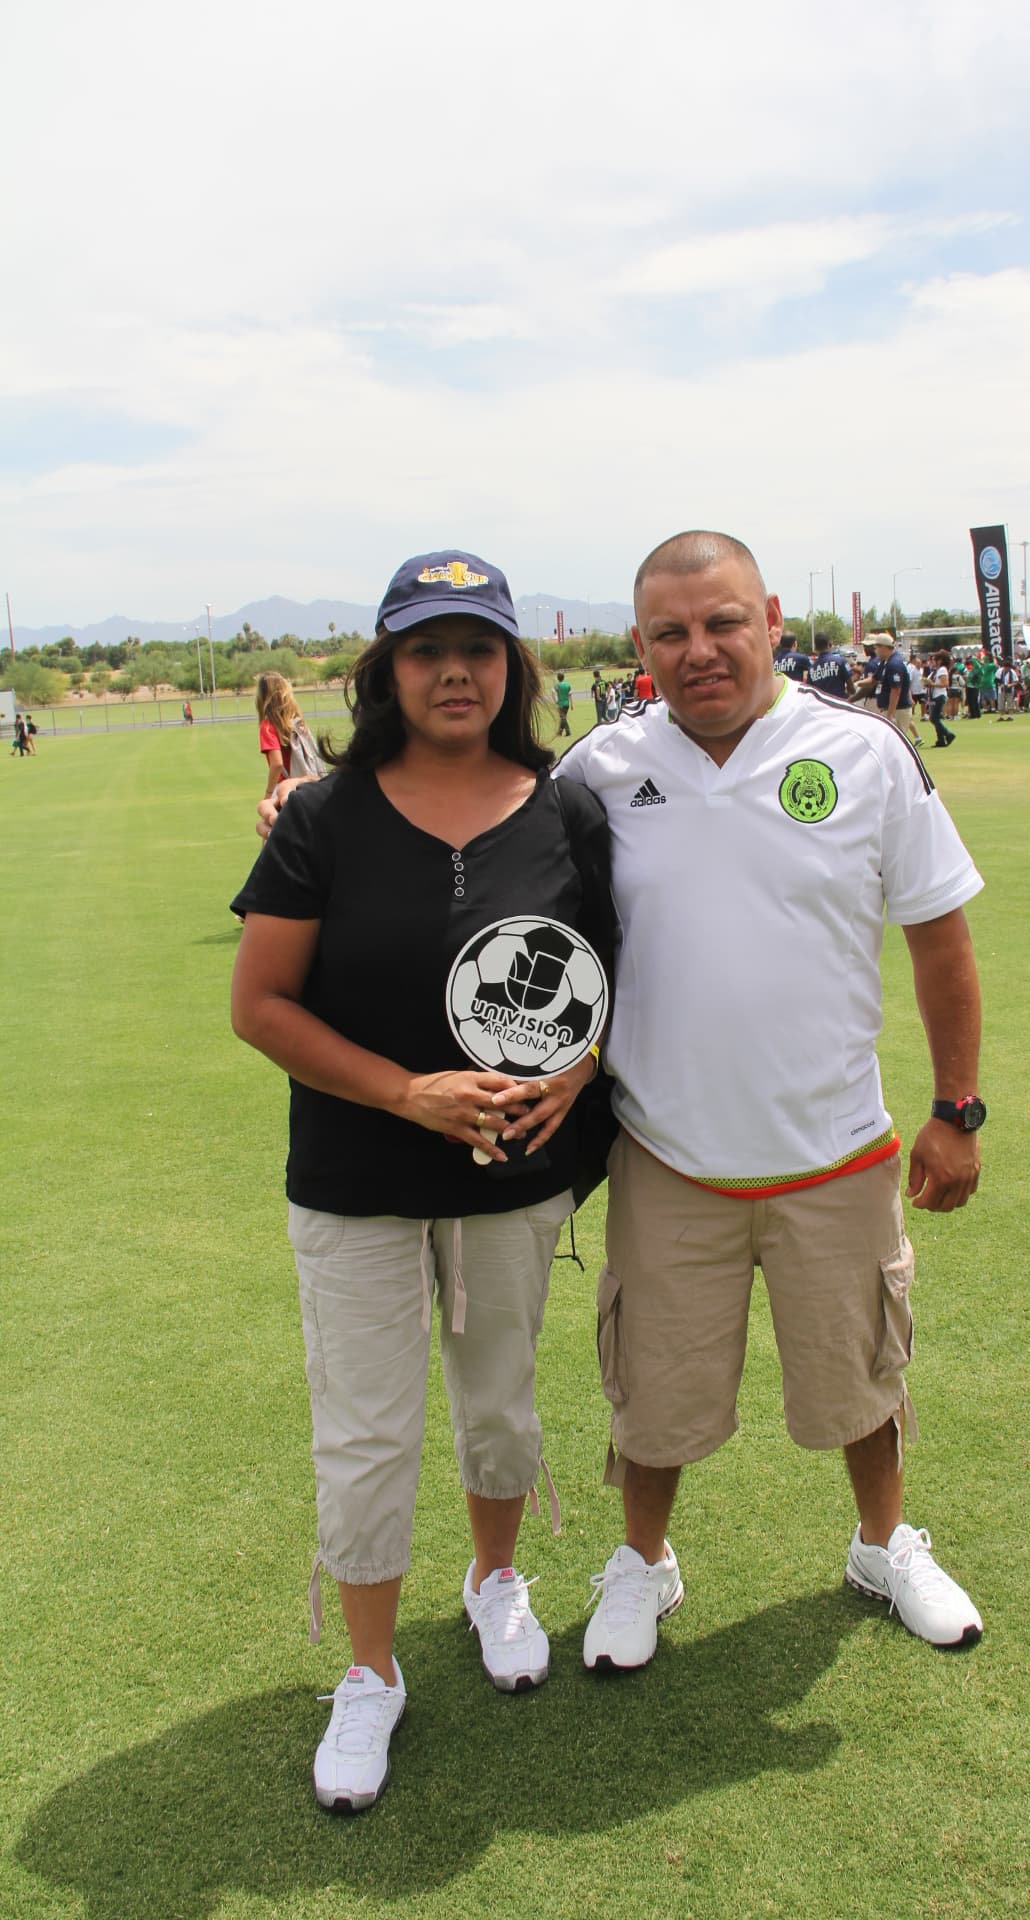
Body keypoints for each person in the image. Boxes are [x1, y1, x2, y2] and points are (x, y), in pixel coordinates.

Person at [556, 530, 986, 1672]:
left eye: (721, 622)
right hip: (665, 1153)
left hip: (835, 1150)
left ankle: (883, 1543)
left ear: (771, 621)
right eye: (669, 632)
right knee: (652, 1388)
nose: (698, 650)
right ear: (639, 643)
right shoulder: (595, 767)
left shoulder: (863, 751)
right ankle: (641, 1562)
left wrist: (958, 1108)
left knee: (862, 1376)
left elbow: (939, 936)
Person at [230, 551, 614, 1812]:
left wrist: (578, 1064)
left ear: (511, 667)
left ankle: (495, 1580)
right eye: (425, 649)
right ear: (386, 670)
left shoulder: (567, 809)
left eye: (479, 648)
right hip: (354, 1180)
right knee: (367, 1433)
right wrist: (405, 1092)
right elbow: (261, 1006)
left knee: (500, 1404)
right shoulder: (323, 817)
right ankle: (369, 1672)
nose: (454, 671)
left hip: (514, 1178)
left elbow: (608, 981)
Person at [255, 671, 323, 798]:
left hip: (285, 789)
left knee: (267, 816)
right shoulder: (296, 721)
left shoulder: (268, 726)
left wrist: (268, 794)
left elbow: (277, 763)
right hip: (308, 786)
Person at [868, 633, 912, 731]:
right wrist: (857, 684)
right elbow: (873, 679)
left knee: (897, 743)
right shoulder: (885, 662)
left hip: (898, 710)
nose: (875, 651)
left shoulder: (894, 664)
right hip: (889, 709)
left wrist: (890, 715)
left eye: (876, 647)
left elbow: (895, 690)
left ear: (884, 647)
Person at [808, 636, 852, 702]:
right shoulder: (841, 661)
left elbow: (811, 692)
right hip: (840, 704)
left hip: (822, 707)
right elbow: (851, 688)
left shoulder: (811, 669)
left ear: (815, 647)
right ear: (829, 644)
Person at [927, 651, 956, 747]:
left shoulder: (942, 670)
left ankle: (948, 734)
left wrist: (932, 684)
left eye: (934, 660)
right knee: (935, 718)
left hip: (939, 696)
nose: (932, 661)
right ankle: (940, 740)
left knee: (933, 718)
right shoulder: (937, 670)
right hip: (934, 696)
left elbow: (945, 684)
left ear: (940, 661)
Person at [553, 669, 573, 737]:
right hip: (567, 704)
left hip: (561, 704)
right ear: (563, 677)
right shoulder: (568, 685)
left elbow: (552, 692)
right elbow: (570, 695)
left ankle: (568, 731)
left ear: (557, 678)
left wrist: (555, 700)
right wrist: (572, 704)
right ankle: (559, 732)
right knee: (563, 718)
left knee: (563, 718)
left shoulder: (557, 685)